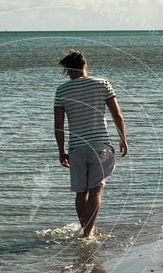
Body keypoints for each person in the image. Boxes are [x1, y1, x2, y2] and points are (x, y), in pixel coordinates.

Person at [54, 49, 128, 238]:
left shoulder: (62, 90)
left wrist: (61, 151)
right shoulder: (102, 84)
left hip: (77, 148)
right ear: (84, 65)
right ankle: (88, 233)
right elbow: (117, 114)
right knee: (95, 190)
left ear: (68, 70)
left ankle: (85, 230)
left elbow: (58, 126)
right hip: (100, 145)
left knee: (81, 192)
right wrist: (123, 139)